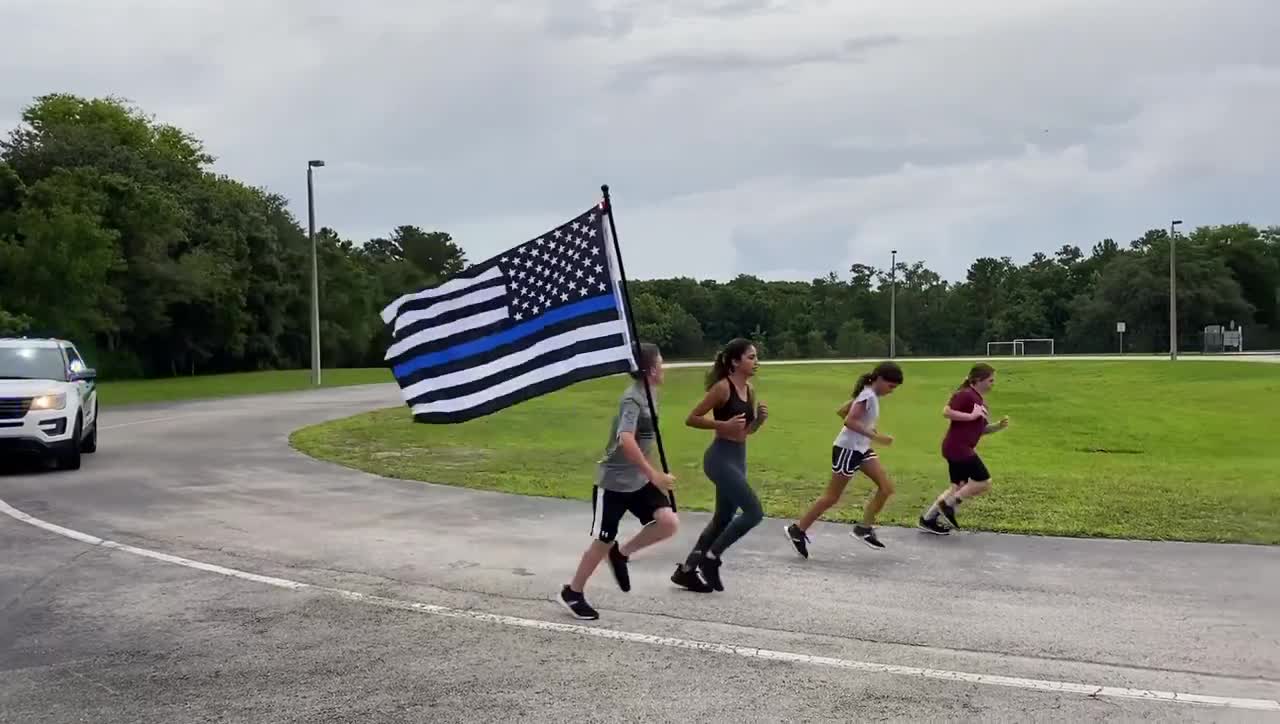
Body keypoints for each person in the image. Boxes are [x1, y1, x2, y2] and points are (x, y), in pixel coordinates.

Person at [559, 343, 686, 620]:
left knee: (668, 522)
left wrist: (651, 473)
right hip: (614, 484)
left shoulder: (652, 393)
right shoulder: (632, 399)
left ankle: (622, 554)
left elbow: (645, 439)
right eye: (661, 362)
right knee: (602, 541)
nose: (664, 367)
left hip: (638, 481)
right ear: (651, 368)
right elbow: (625, 439)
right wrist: (655, 475)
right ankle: (573, 592)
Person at [670, 338, 768, 593]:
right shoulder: (722, 388)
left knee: (723, 518)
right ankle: (711, 559)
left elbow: (745, 432)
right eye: (751, 357)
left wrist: (759, 421)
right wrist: (720, 425)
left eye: (756, 357)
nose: (756, 362)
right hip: (719, 458)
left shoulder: (750, 389)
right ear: (735, 361)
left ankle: (687, 572)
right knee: (754, 512)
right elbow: (691, 418)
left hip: (738, 458)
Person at [785, 361, 903, 557]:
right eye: (891, 386)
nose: (891, 391)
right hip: (848, 450)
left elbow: (843, 411)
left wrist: (866, 432)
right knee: (832, 496)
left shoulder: (867, 393)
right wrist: (876, 436)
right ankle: (797, 530)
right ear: (880, 379)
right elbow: (848, 420)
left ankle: (864, 529)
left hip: (861, 449)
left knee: (886, 488)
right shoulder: (867, 395)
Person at [918, 363, 1010, 534]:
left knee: (957, 486)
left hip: (958, 447)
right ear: (977, 380)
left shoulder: (980, 401)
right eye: (990, 380)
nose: (993, 383)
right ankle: (949, 506)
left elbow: (979, 430)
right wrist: (971, 416)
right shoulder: (966, 395)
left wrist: (997, 426)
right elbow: (946, 411)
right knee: (984, 482)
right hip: (958, 447)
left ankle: (928, 520)